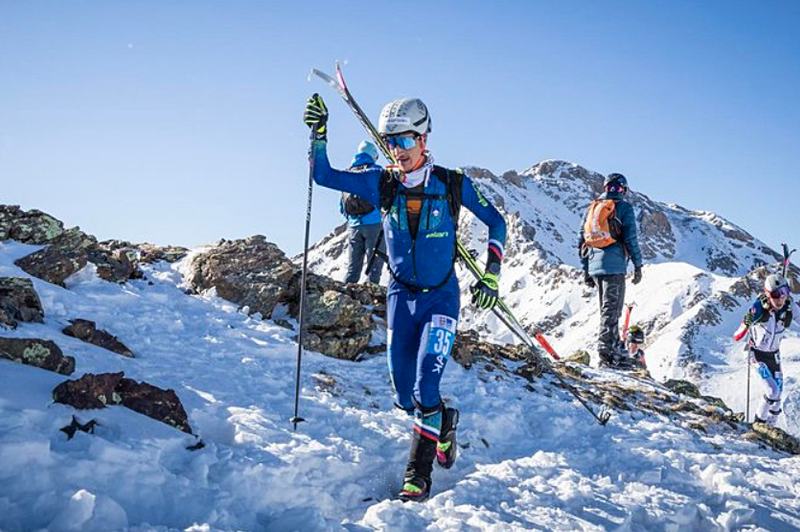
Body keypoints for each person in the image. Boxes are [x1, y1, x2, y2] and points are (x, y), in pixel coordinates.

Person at [304, 93, 507, 501]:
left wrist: (491, 275)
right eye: (391, 141)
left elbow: (496, 221)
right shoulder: (381, 183)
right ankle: (444, 421)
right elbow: (324, 176)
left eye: (406, 140)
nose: (398, 150)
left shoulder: (452, 184)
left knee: (425, 385)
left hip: (441, 298)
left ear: (425, 138)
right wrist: (318, 134)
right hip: (400, 297)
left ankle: (418, 477)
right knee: (403, 395)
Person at [578, 173, 644, 367]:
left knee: (607, 309)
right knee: (612, 310)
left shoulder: (593, 208)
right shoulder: (624, 208)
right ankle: (607, 351)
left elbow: (581, 241)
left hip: (594, 265)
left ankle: (613, 346)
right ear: (623, 189)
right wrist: (638, 265)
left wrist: (586, 270)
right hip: (614, 267)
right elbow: (631, 238)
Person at [734, 274, 799, 426]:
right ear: (768, 295)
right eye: (776, 294)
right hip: (755, 353)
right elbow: (737, 336)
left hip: (773, 355)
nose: (781, 298)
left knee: (777, 398)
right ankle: (758, 427)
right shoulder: (758, 309)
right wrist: (747, 322)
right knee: (772, 391)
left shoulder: (789, 308)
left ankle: (769, 431)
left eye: (785, 292)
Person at [340, 140, 385, 284]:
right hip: (374, 224)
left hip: (353, 226)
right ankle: (371, 302)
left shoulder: (348, 173)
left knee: (353, 269)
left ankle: (345, 298)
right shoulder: (375, 171)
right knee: (375, 266)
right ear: (373, 155)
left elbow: (342, 207)